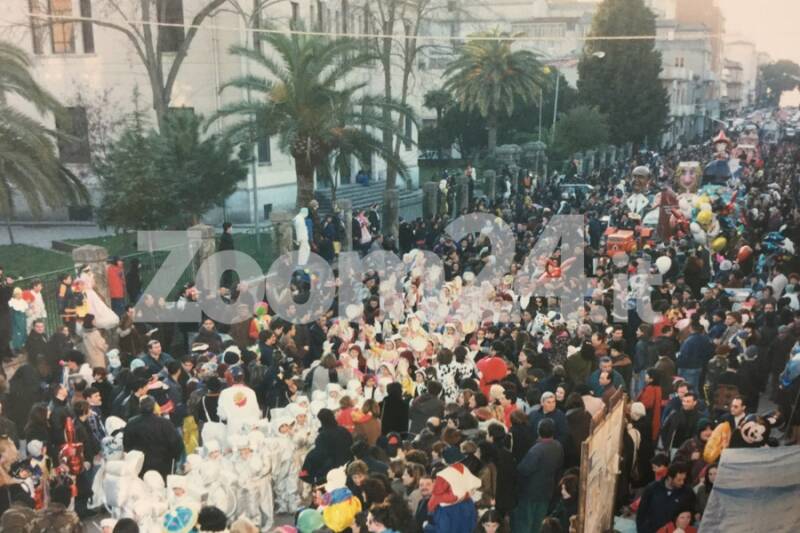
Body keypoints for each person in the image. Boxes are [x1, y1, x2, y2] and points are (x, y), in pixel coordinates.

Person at [513, 419, 564, 533]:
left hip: (530, 492)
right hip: (546, 490)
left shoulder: (536, 450)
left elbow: (523, 469)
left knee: (525, 523)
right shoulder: (558, 446)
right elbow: (559, 465)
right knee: (538, 523)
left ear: (538, 431)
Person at [122, 396, 184, 480]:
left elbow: (126, 445)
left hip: (140, 465)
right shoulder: (165, 423)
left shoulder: (131, 423)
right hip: (163, 464)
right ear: (154, 407)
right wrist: (175, 457)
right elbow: (177, 444)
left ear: (140, 407)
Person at [636, 462, 696, 533]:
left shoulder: (687, 492)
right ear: (670, 478)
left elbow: (692, 513)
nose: (682, 482)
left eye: (684, 479)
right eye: (679, 480)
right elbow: (641, 513)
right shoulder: (652, 489)